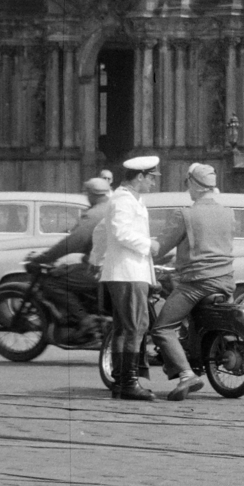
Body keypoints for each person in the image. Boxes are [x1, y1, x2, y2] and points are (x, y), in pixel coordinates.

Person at [150, 163, 235, 401]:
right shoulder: (228, 213)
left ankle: (187, 374)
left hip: (197, 283)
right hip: (226, 281)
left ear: (194, 185)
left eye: (187, 183)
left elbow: (159, 247)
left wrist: (137, 245)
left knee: (163, 327)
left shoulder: (184, 214)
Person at [94, 155, 162, 402]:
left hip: (128, 271)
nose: (154, 183)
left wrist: (97, 258)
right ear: (140, 177)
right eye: (152, 178)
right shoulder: (123, 199)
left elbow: (101, 231)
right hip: (127, 272)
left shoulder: (130, 199)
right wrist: (148, 244)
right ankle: (129, 382)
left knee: (127, 327)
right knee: (134, 327)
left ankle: (122, 382)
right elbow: (121, 232)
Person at [25, 176, 112, 337]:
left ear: (92, 194)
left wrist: (44, 257)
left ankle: (84, 320)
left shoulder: (94, 214)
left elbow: (73, 242)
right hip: (112, 265)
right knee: (69, 270)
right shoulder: (113, 208)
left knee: (52, 283)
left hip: (98, 269)